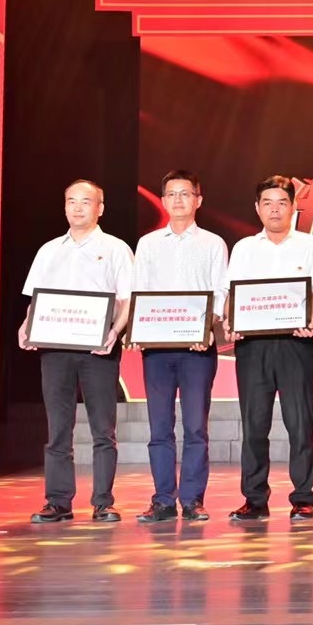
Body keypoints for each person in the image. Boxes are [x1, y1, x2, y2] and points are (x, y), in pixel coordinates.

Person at [20, 179, 134, 524]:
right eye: (71, 201)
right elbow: (36, 299)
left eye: (86, 201)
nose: (78, 207)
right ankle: (58, 502)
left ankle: (103, 502)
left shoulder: (116, 248)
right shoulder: (49, 250)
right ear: (65, 206)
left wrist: (114, 332)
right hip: (55, 349)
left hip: (99, 349)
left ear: (100, 208)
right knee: (58, 428)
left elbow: (127, 299)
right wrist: (27, 326)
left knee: (103, 429)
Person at [223, 175, 313, 522]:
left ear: (294, 207)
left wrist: (311, 317)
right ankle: (254, 498)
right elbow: (232, 294)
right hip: (253, 347)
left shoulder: (310, 245)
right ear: (257, 208)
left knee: (300, 423)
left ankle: (303, 498)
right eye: (267, 203)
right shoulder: (244, 248)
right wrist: (231, 321)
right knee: (254, 425)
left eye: (282, 203)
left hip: (296, 343)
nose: (275, 210)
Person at [130, 170, 228, 523]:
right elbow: (138, 290)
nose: (178, 200)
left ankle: (192, 500)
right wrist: (138, 327)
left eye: (185, 193)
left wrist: (207, 327)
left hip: (197, 348)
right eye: (171, 194)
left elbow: (220, 291)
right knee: (159, 428)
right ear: (163, 200)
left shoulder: (213, 244)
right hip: (157, 348)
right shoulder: (148, 244)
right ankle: (162, 500)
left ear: (198, 200)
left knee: (196, 427)